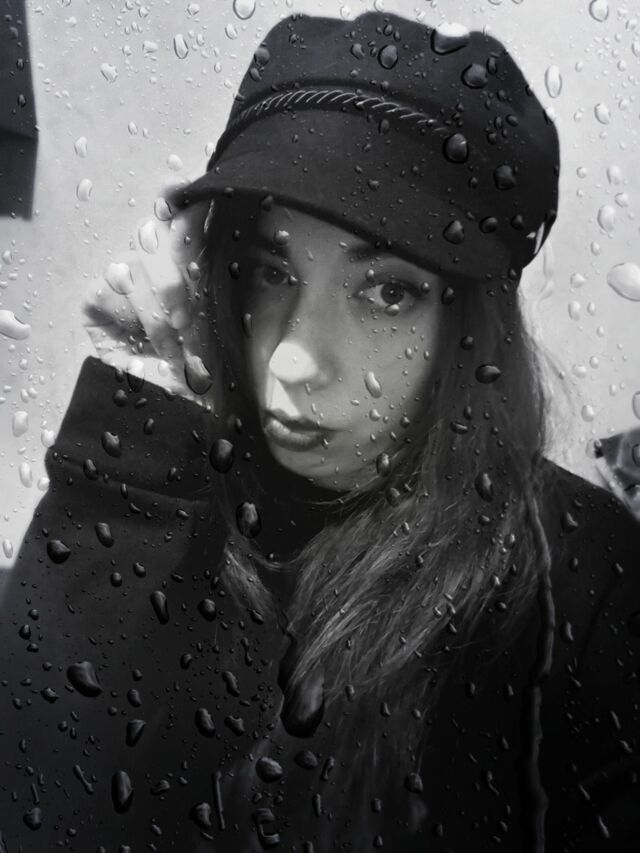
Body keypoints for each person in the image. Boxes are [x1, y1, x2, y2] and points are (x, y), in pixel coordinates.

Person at [1, 11, 639, 852]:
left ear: (470, 331)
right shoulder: (176, 497)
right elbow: (43, 801)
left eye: (387, 292)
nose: (295, 361)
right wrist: (144, 385)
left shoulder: (580, 585)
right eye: (271, 271)